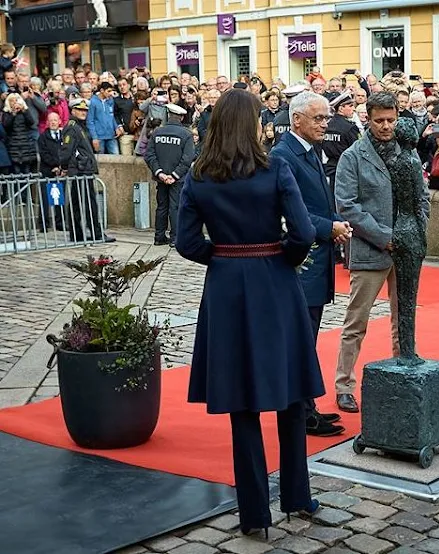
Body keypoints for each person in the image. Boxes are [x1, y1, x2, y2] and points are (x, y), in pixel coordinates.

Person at [176, 89, 323, 537]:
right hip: (275, 282)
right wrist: (280, 256)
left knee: (243, 404)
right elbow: (301, 231)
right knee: (292, 393)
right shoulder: (275, 167)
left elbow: (185, 242)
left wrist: (222, 257)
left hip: (226, 289)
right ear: (253, 125)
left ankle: (254, 516)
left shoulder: (198, 176)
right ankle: (297, 497)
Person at [334, 92, 430, 412]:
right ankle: (344, 384)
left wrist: (416, 231)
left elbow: (422, 196)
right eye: (379, 121)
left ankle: (401, 372)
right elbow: (347, 205)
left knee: (403, 317)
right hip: (371, 249)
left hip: (407, 246)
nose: (386, 126)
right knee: (356, 320)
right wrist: (384, 237)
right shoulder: (353, 155)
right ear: (368, 118)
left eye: (391, 119)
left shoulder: (408, 150)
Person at [271, 91, 351, 436]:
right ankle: (299, 415)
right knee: (299, 341)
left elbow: (316, 201)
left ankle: (307, 407)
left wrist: (334, 220)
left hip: (316, 258)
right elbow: (293, 213)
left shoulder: (307, 151)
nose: (325, 124)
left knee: (307, 338)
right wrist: (328, 227)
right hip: (301, 262)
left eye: (327, 117)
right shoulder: (283, 155)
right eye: (319, 118)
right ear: (297, 119)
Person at [60, 98, 115, 243]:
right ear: (73, 110)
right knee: (88, 204)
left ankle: (78, 234)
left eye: (85, 110)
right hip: (81, 170)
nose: (83, 112)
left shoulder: (79, 126)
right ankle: (95, 233)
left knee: (79, 203)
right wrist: (65, 167)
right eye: (80, 110)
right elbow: (66, 150)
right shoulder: (73, 127)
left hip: (83, 169)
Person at [144, 103, 194, 247]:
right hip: (178, 179)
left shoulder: (157, 133)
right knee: (175, 207)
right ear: (182, 117)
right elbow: (187, 158)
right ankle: (175, 238)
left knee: (162, 207)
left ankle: (159, 237)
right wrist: (174, 175)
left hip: (161, 177)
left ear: (168, 115)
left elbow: (149, 155)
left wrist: (160, 173)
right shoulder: (186, 134)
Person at [38, 112, 65, 230]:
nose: (53, 122)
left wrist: (61, 166)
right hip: (47, 171)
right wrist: (54, 165)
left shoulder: (64, 135)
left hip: (60, 171)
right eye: (51, 120)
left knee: (59, 197)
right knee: (44, 199)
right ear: (47, 123)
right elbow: (44, 154)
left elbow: (66, 151)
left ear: (59, 121)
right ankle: (43, 224)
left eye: (55, 120)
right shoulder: (43, 137)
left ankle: (60, 223)